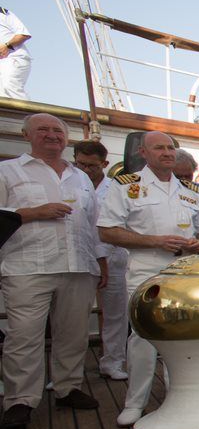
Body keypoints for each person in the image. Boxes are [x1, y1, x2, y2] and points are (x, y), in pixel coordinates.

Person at [0, 114, 108, 429]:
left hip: (79, 263)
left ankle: (68, 387)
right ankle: (20, 401)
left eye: (58, 130)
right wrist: (34, 213)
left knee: (73, 333)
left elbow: (92, 224)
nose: (52, 135)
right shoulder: (7, 171)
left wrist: (101, 262)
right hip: (27, 266)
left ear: (66, 138)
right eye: (43, 129)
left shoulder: (80, 177)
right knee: (24, 336)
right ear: (26, 135)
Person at [98, 131, 199, 426]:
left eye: (171, 147)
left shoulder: (191, 191)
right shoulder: (125, 186)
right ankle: (135, 402)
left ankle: (181, 396)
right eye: (158, 147)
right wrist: (155, 241)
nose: (166, 152)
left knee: (185, 336)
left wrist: (198, 243)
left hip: (185, 273)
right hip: (146, 271)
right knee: (143, 339)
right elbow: (107, 231)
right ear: (143, 153)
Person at [73, 139, 129, 380]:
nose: (86, 170)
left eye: (92, 166)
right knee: (71, 317)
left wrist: (103, 256)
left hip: (114, 259)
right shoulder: (70, 186)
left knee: (116, 314)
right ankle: (68, 371)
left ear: (104, 164)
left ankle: (113, 362)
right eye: (81, 165)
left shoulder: (118, 189)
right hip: (78, 257)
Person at [0, 6, 32, 100]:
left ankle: (29, 114)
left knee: (9, 86)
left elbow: (24, 34)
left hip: (14, 58)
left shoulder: (3, 14)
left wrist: (7, 45)